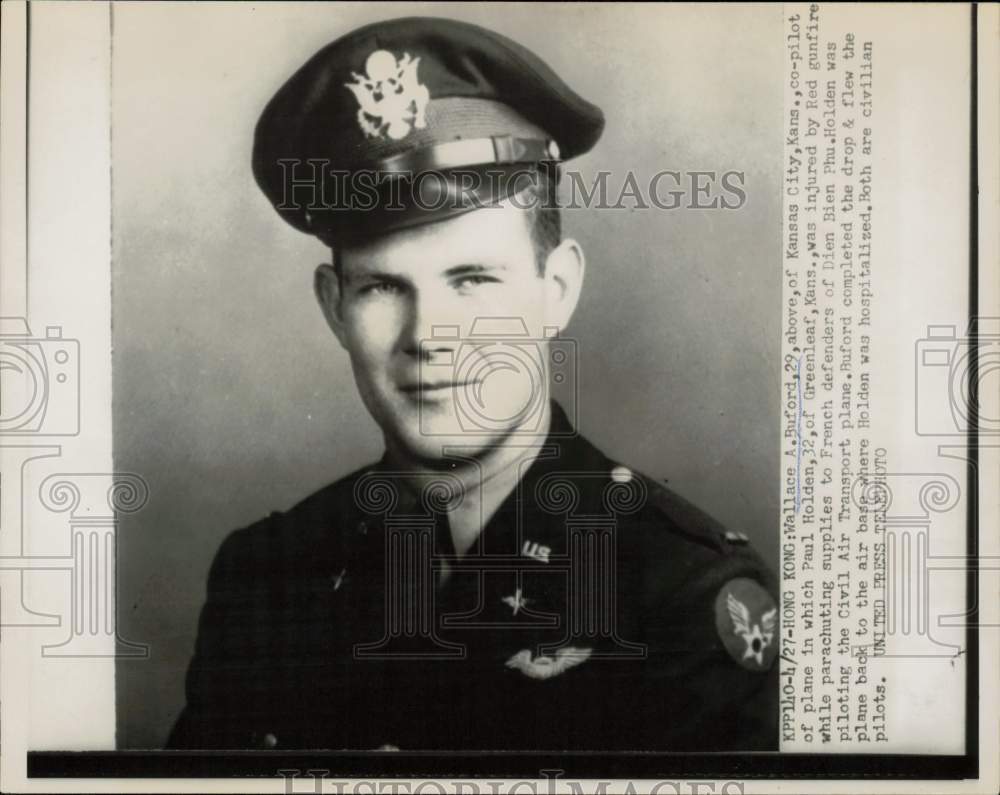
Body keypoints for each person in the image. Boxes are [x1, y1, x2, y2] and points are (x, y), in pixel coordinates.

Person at [167, 15, 779, 752]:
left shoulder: (677, 590)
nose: (429, 335)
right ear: (334, 307)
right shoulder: (266, 576)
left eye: (472, 279)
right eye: (383, 288)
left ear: (557, 289)